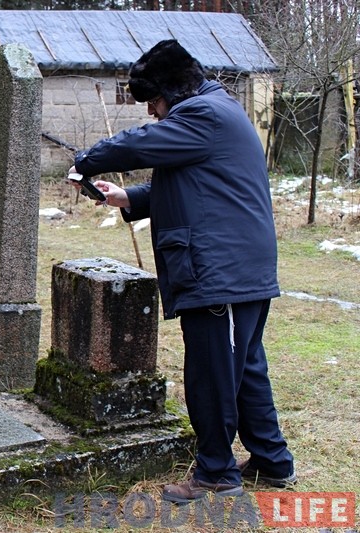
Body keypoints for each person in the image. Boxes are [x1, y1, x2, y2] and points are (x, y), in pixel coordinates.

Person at [68, 39, 296, 503]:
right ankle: (273, 462)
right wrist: (126, 198)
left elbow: (142, 144)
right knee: (245, 368)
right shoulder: (214, 115)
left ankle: (215, 472)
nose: (153, 113)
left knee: (211, 374)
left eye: (153, 101)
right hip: (235, 268)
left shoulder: (202, 115)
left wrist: (86, 161)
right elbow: (192, 184)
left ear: (173, 91)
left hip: (220, 272)